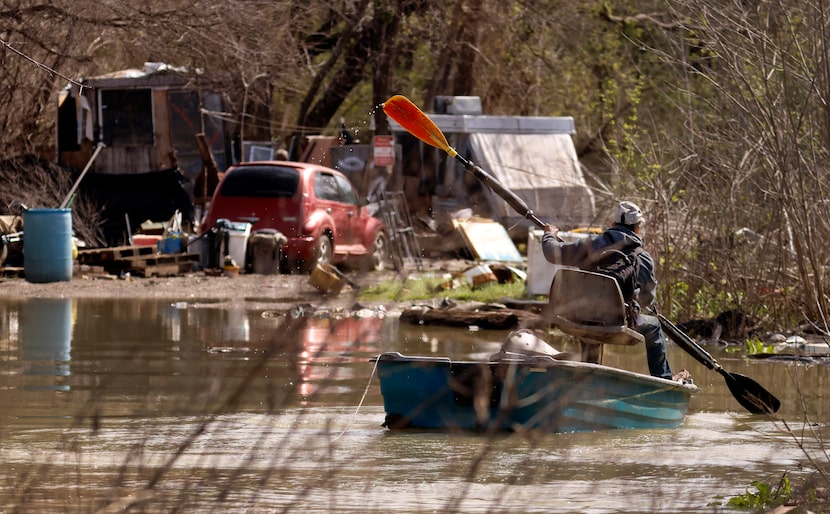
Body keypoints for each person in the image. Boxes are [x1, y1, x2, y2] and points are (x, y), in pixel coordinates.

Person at [541, 200, 673, 379]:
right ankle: (664, 379)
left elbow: (552, 252)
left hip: (581, 318)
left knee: (590, 321)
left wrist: (549, 234)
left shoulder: (589, 246)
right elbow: (647, 299)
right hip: (619, 323)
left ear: (612, 225)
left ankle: (588, 374)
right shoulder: (643, 258)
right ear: (637, 229)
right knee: (655, 326)